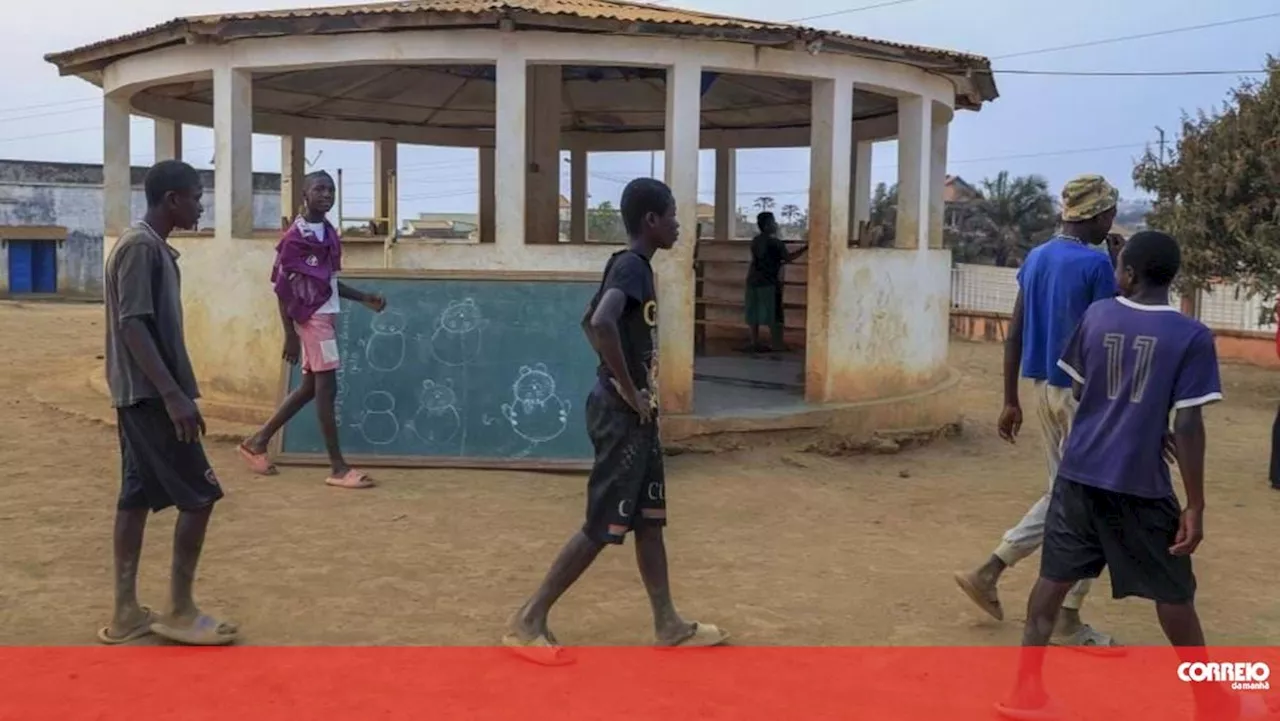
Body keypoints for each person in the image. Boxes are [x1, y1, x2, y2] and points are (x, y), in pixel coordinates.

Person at [997, 230, 1269, 721]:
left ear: (1127, 273)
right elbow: (1187, 422)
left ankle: (1025, 693)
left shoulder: (1097, 316)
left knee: (1052, 581)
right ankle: (1210, 701)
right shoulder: (1190, 335)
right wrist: (1196, 504)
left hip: (1079, 474)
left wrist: (1134, 421)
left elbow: (1084, 394)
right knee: (1174, 594)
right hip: (1139, 484)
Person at [504, 178, 729, 663]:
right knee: (601, 523)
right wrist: (627, 391)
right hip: (621, 416)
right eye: (672, 215)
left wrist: (627, 385)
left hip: (634, 416)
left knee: (649, 519)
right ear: (651, 221)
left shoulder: (630, 266)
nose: (677, 224)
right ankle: (528, 620)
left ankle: (667, 622)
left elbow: (589, 322)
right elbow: (603, 322)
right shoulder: (631, 267)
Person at [953, 175, 1122, 651]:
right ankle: (1057, 609)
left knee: (1065, 492)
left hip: (1042, 387)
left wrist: (1009, 398)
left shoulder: (1038, 257)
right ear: (1094, 216)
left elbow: (1015, 331)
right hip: (1085, 395)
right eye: (1108, 214)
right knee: (1087, 501)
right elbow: (1110, 337)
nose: (1111, 222)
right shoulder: (1095, 266)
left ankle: (993, 571)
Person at [100, 160, 238, 646]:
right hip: (150, 397)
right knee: (201, 497)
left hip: (140, 395)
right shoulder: (140, 248)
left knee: (135, 497)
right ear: (172, 200)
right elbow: (133, 325)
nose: (201, 205)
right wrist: (175, 395)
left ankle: (125, 613)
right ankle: (179, 608)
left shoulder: (152, 248)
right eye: (197, 196)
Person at [238, 170, 386, 489]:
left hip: (326, 315)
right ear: (304, 194)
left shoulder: (328, 233)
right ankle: (337, 467)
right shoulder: (295, 238)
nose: (327, 194)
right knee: (326, 389)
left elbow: (327, 282)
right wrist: (290, 334)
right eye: (319, 189)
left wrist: (363, 298)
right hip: (312, 320)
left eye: (331, 190)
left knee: (309, 388)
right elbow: (282, 287)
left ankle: (257, 442)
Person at [744, 212, 806, 352]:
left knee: (754, 313)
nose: (776, 224)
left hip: (753, 279)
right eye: (773, 222)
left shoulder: (756, 241)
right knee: (775, 314)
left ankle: (755, 342)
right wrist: (806, 248)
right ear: (767, 226)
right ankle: (777, 344)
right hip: (769, 282)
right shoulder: (775, 243)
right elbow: (788, 258)